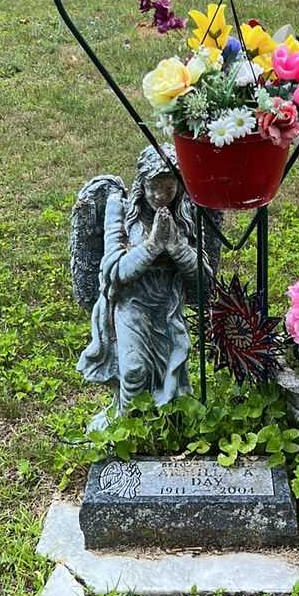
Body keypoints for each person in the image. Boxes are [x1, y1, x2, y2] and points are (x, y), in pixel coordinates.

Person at [77, 146, 205, 414]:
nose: (160, 197)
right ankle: (126, 426)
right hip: (131, 304)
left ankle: (161, 427)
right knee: (134, 370)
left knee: (171, 381)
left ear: (179, 188)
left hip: (168, 306)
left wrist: (176, 246)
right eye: (153, 189)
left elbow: (203, 278)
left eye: (168, 189)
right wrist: (153, 245)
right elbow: (114, 272)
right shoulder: (120, 210)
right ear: (141, 185)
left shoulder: (183, 214)